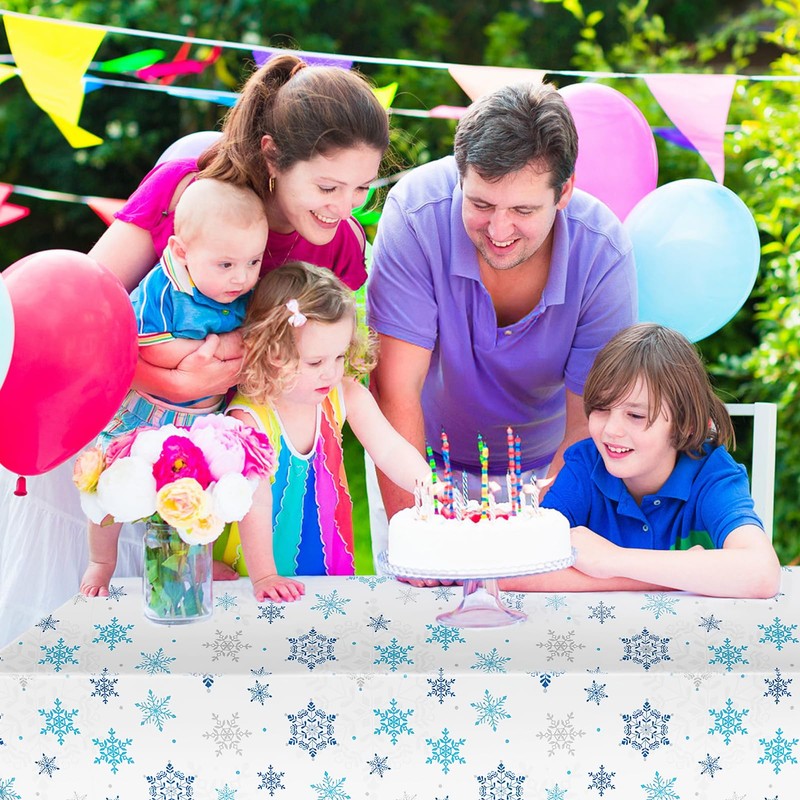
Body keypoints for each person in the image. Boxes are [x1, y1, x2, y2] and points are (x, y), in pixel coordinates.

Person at [0, 54, 390, 647]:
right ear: (272, 154)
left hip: (203, 462)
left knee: (184, 630)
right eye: (328, 186)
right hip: (112, 426)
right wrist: (156, 379)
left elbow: (320, 364)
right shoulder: (188, 187)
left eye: (362, 187)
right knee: (87, 604)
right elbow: (80, 314)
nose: (344, 205)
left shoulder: (337, 247)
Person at [365, 80, 637, 571]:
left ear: (565, 192)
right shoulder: (414, 213)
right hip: (415, 461)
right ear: (459, 175)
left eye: (524, 210)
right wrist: (423, 543)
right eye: (482, 205)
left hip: (546, 471)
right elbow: (394, 388)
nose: (499, 230)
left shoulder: (603, 251)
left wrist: (538, 539)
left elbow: (589, 424)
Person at [80, 178, 268, 597]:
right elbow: (148, 346)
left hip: (201, 419)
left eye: (253, 262)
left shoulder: (232, 283)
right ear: (183, 252)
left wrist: (217, 350)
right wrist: (214, 350)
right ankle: (101, 562)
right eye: (227, 265)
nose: (242, 277)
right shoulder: (163, 289)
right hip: (146, 411)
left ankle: (192, 560)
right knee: (112, 486)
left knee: (191, 492)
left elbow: (252, 336)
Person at [501, 323, 781, 598]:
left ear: (687, 426)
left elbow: (762, 573)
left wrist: (612, 560)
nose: (611, 430)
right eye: (601, 408)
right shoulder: (585, 465)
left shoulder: (712, 475)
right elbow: (518, 568)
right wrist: (669, 580)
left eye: (635, 416)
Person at [214, 261, 437, 602]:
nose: (331, 373)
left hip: (329, 554)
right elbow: (255, 505)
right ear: (274, 353)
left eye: (339, 356)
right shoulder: (250, 420)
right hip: (256, 569)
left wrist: (430, 487)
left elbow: (391, 450)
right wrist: (265, 576)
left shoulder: (343, 394)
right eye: (315, 362)